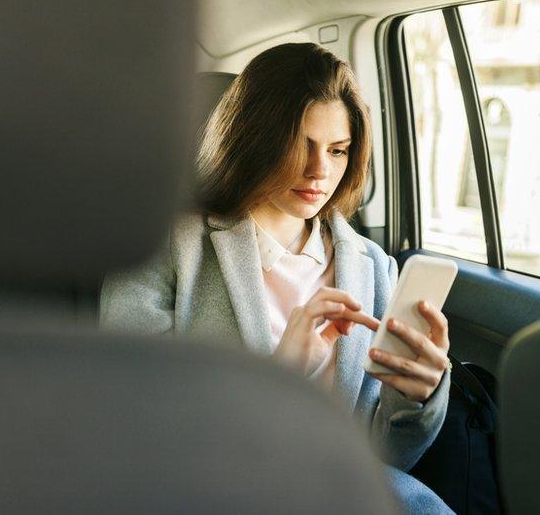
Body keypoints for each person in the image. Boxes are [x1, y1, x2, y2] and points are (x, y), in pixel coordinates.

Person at [101, 42, 452, 513]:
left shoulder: (373, 266)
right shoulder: (163, 248)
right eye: (299, 146)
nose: (319, 171)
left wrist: (417, 401)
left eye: (338, 150)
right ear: (253, 139)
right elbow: (134, 423)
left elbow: (385, 459)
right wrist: (278, 375)